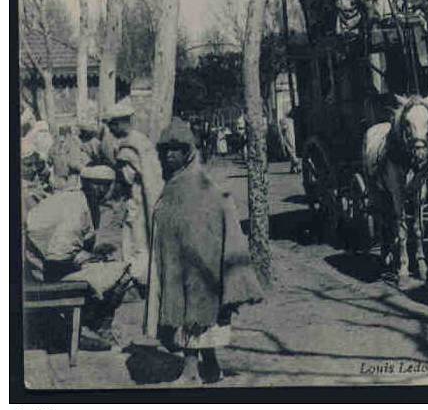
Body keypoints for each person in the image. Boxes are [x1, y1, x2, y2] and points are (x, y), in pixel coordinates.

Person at [145, 118, 263, 385]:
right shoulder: (175, 182)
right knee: (197, 315)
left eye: (177, 149)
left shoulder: (198, 185)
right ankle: (210, 365)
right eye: (165, 150)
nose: (170, 155)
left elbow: (205, 230)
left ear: (189, 152)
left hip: (198, 266)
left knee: (195, 312)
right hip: (180, 261)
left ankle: (190, 371)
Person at [25, 138, 132, 352]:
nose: (101, 190)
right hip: (44, 271)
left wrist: (88, 256)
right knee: (125, 273)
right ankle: (87, 327)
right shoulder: (76, 206)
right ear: (85, 183)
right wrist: (82, 259)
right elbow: (57, 255)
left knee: (112, 265)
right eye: (95, 185)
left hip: (48, 263)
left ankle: (89, 326)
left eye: (105, 186)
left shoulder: (85, 201)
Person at [104, 98, 165, 287]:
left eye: (113, 125)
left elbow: (128, 177)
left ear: (121, 123)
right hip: (144, 194)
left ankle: (141, 278)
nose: (111, 130)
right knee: (139, 237)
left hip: (138, 196)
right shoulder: (141, 140)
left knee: (137, 240)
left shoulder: (129, 146)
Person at [279, 109, 301, 174]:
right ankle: (293, 168)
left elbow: (283, 129)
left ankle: (296, 163)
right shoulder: (291, 120)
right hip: (291, 134)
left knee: (290, 148)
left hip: (287, 134)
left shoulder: (284, 120)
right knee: (291, 147)